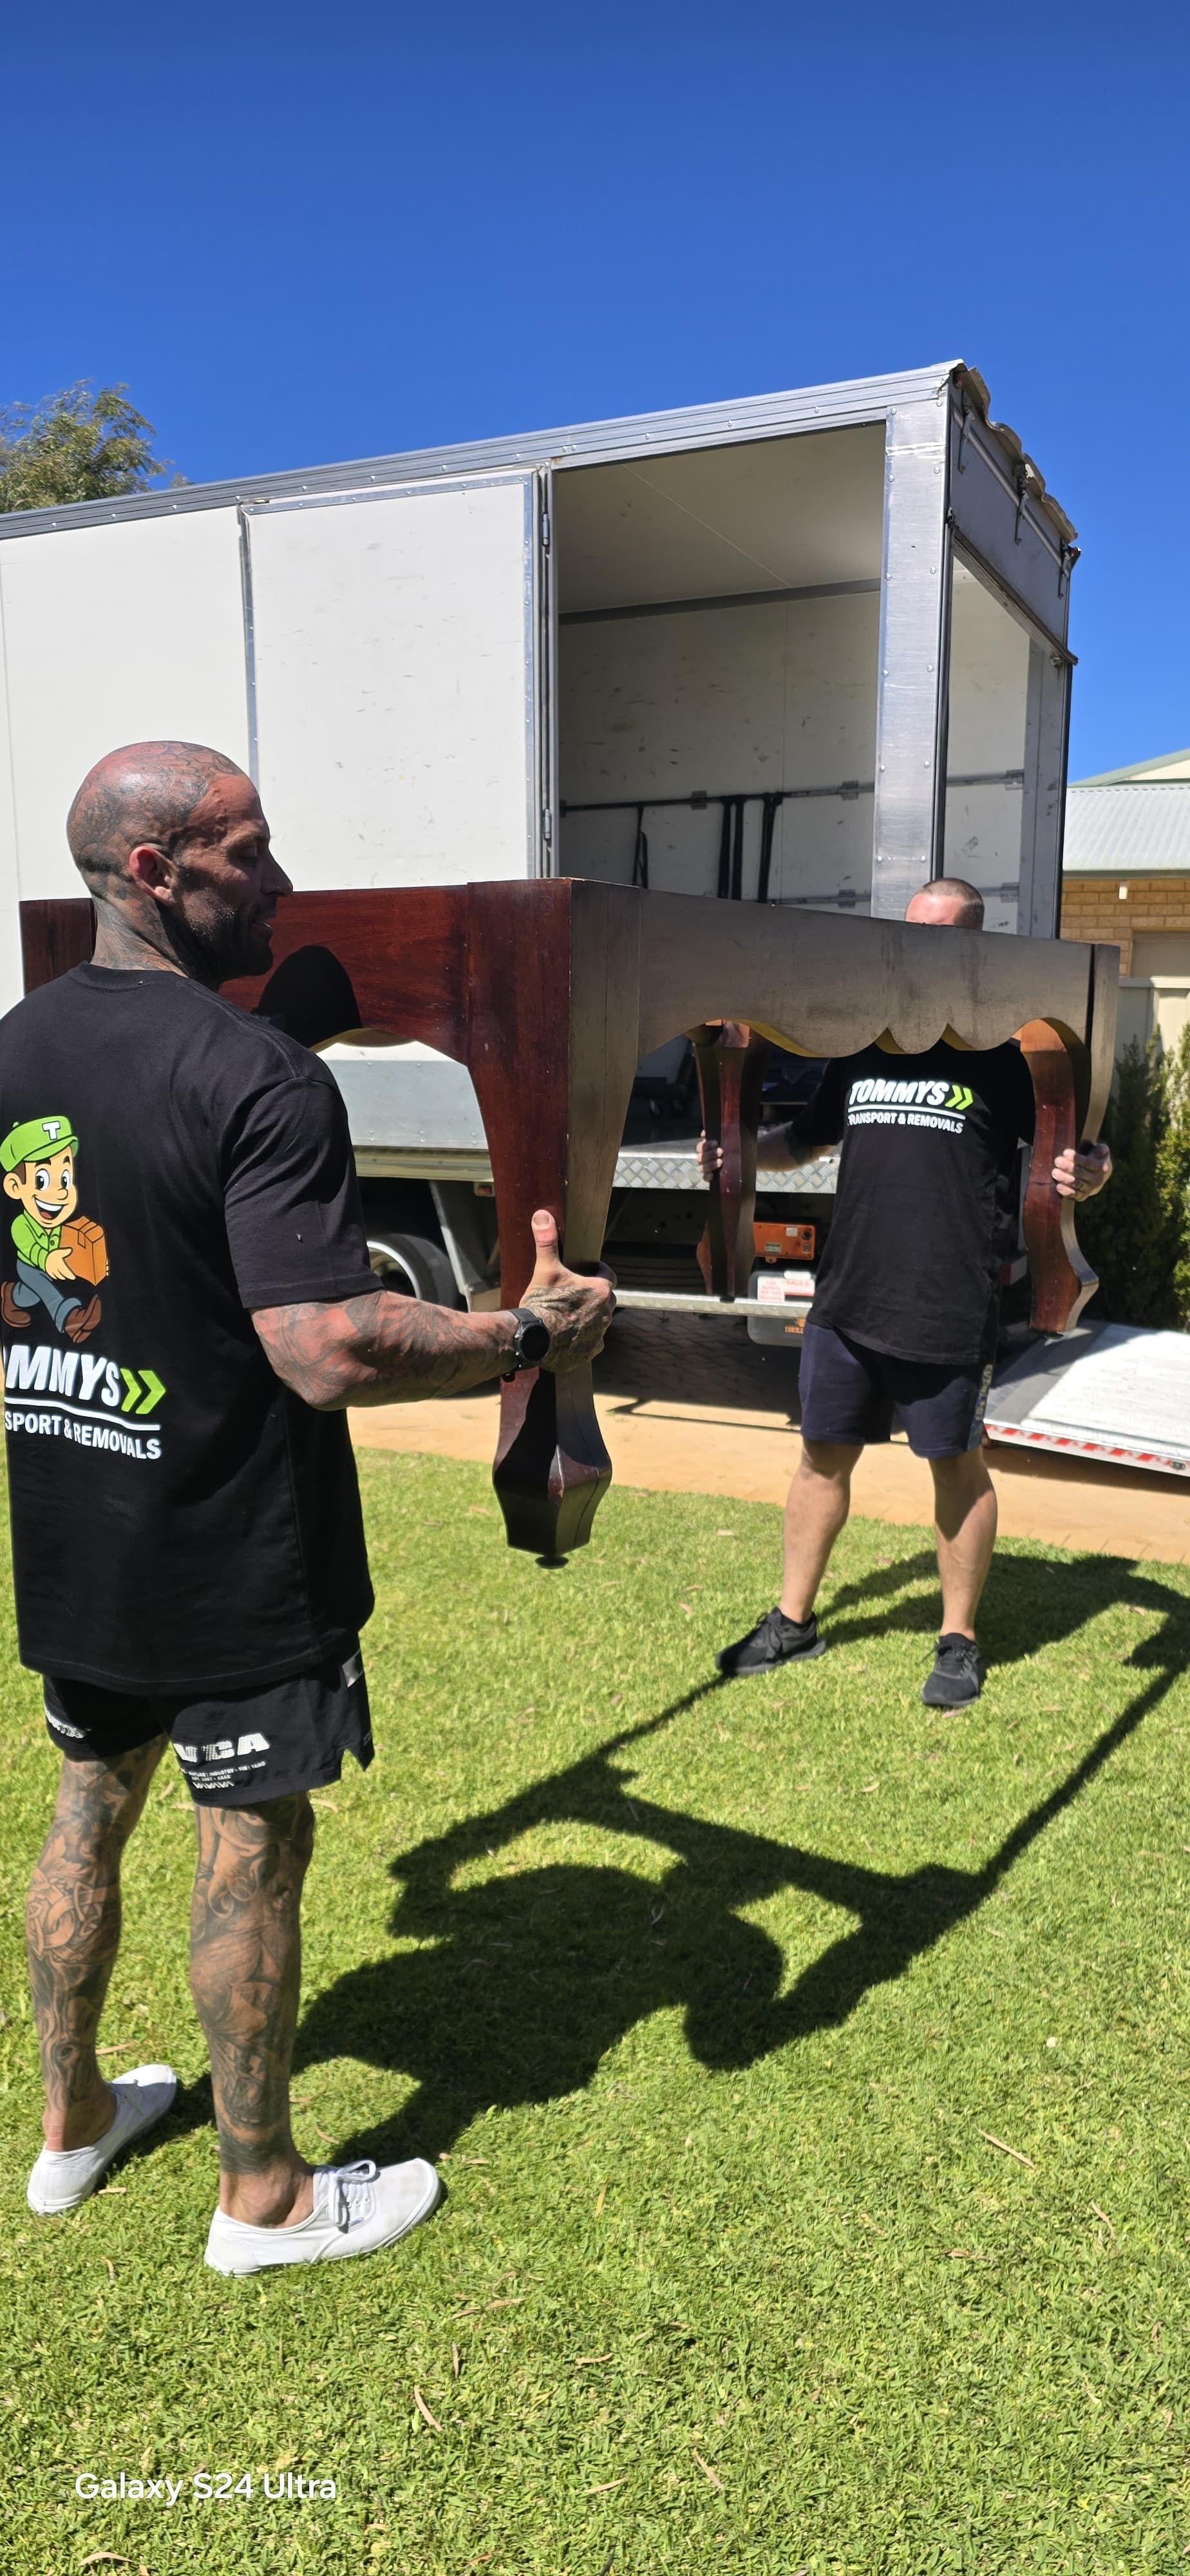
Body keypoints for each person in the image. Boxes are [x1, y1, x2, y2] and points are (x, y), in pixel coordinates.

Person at [3, 740, 613, 2275]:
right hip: (228, 1545)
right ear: (158, 872)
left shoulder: (12, 1049)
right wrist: (525, 1332)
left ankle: (70, 2123)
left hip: (80, 1520)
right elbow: (327, 1345)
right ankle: (263, 2191)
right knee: (247, 1846)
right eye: (252, 853)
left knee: (86, 1804)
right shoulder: (255, 1071)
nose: (280, 883)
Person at [704, 877, 1111, 1707]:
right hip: (847, 1298)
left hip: (947, 1302)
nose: (921, 947)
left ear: (973, 943)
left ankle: (957, 1641)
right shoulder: (866, 1041)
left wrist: (1094, 1173)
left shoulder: (1011, 1054)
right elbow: (804, 1141)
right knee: (821, 1459)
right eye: (911, 932)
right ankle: (794, 1620)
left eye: (941, 935)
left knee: (957, 1468)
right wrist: (741, 1152)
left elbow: (1081, 1161)